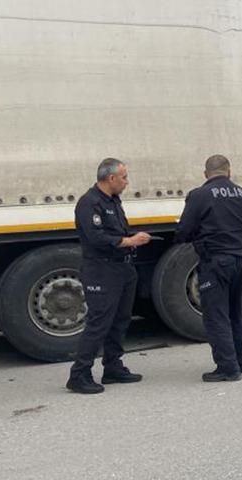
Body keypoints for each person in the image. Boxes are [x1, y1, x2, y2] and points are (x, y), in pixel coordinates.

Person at [66, 158, 152, 394]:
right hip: (101, 270)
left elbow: (117, 231)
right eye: (124, 177)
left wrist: (132, 239)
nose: (127, 182)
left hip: (122, 268)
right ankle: (79, 374)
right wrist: (129, 241)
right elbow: (96, 238)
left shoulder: (113, 200)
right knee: (99, 322)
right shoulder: (89, 203)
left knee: (120, 320)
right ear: (111, 178)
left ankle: (113, 367)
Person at [175, 155, 242, 382]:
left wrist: (185, 237)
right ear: (229, 172)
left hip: (216, 262)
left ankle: (227, 367)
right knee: (236, 311)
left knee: (215, 315)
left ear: (206, 174)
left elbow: (185, 230)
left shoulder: (199, 195)